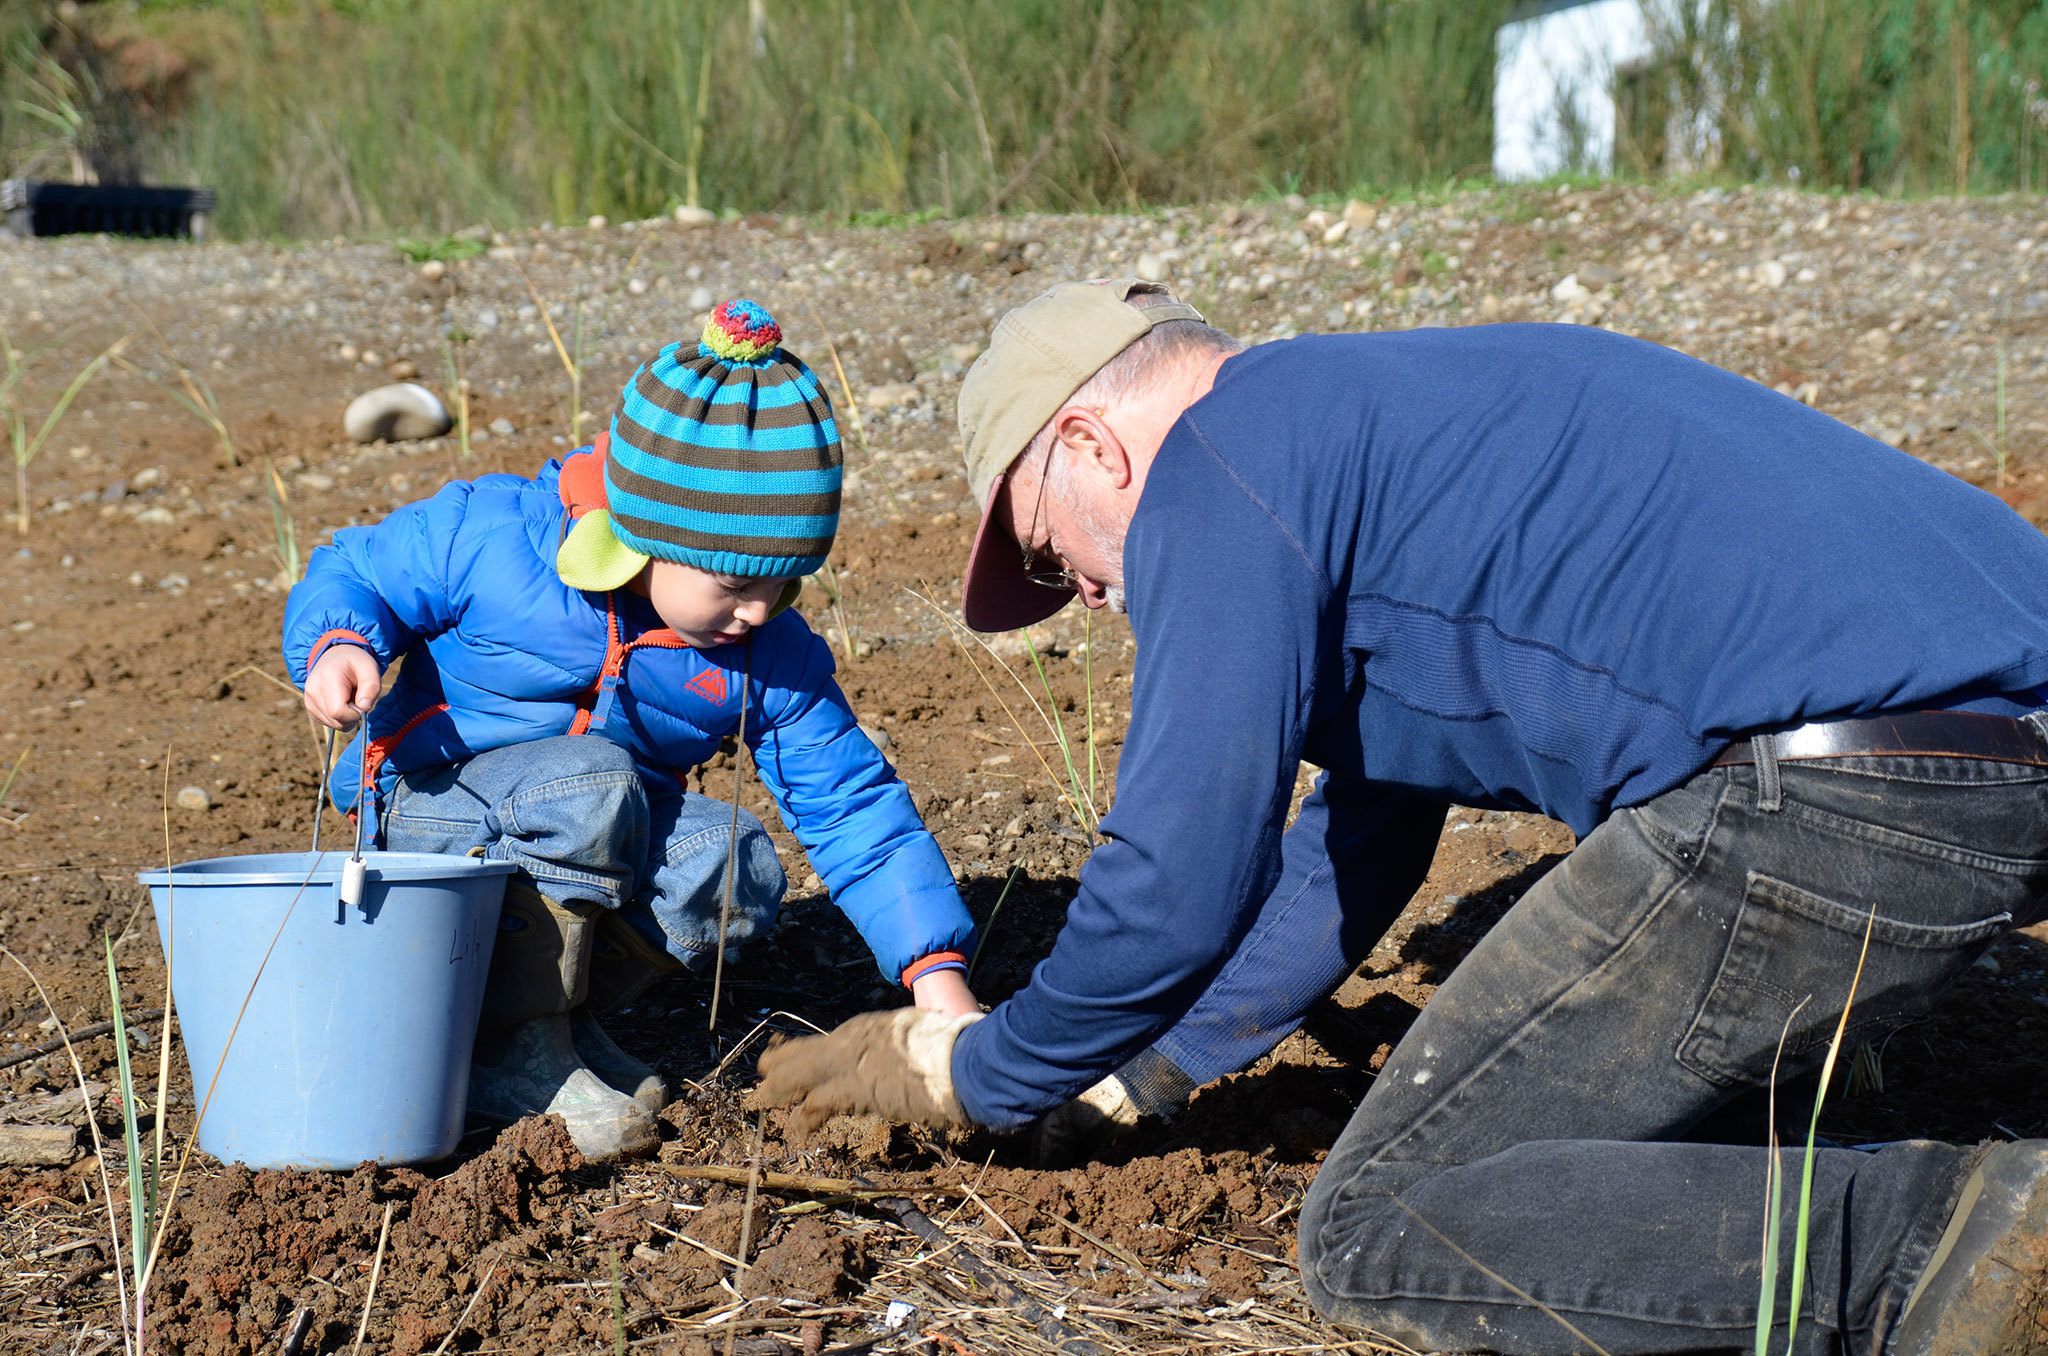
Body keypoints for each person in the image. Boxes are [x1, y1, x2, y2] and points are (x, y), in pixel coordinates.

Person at [753, 280, 2048, 1354]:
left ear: (1093, 446)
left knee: (1383, 1221)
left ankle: (1970, 1243)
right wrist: (1144, 1069)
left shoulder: (1221, 467)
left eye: (1052, 552)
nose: (1083, 599)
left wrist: (981, 1071)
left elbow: (1176, 874)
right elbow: (1358, 840)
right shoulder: (1382, 422)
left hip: (1838, 795)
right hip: (1987, 763)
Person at [286, 300, 980, 1162]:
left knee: (728, 861)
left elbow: (852, 808)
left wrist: (939, 983)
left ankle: (549, 1029)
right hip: (427, 819)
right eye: (733, 582)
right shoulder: (497, 540)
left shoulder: (766, 652)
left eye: (787, 580)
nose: (758, 609)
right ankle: (514, 1051)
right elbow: (357, 567)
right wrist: (340, 644)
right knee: (592, 782)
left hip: (583, 817)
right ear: (647, 533)